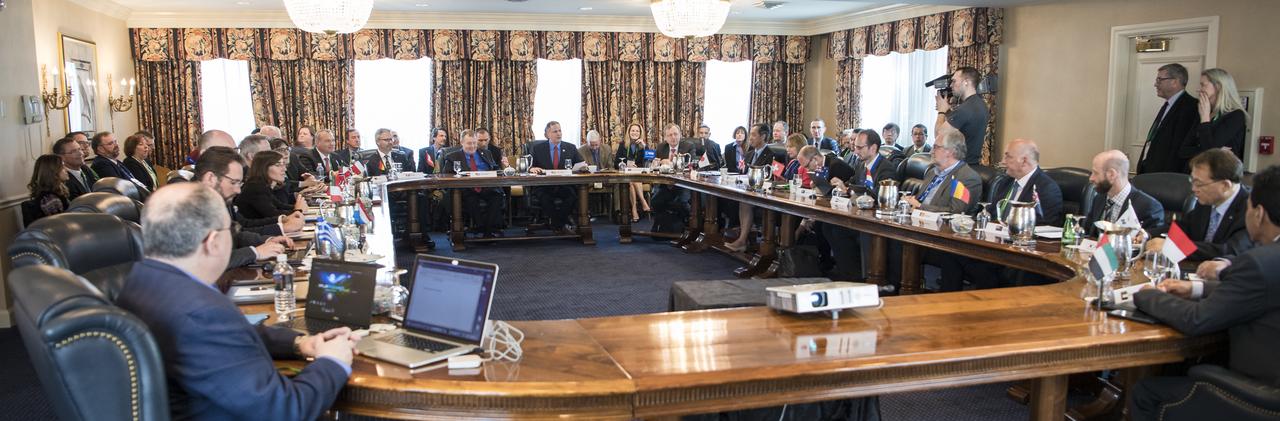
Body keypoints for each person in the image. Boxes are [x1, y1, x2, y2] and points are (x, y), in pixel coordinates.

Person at [116, 182, 357, 420]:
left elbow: (233, 334)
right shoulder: (203, 313)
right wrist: (333, 361)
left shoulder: (137, 282)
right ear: (213, 241)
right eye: (230, 230)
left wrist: (300, 342)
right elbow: (285, 410)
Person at [1129, 165, 1280, 420]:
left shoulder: (1257, 262)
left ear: (1259, 214)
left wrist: (1147, 294)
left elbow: (1197, 319)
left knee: (1146, 392)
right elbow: (1261, 291)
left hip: (1260, 393)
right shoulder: (1267, 264)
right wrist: (1197, 288)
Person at [926, 139, 1064, 291]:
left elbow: (1042, 228)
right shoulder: (1005, 183)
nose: (1002, 161)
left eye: (1008, 157)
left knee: (986, 270)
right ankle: (948, 305)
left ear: (1024, 161)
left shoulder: (1046, 188)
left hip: (1017, 255)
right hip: (992, 245)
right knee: (951, 252)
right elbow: (991, 215)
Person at [194, 146, 296, 268]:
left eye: (240, 183)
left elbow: (236, 234)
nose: (238, 190)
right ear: (210, 178)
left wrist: (267, 240)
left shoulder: (221, 199)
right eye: (233, 182)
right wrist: (255, 252)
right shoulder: (187, 208)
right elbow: (205, 261)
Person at [1146, 149, 1252, 261]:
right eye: (1192, 181)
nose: (1193, 189)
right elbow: (1183, 227)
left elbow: (1229, 250)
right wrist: (1146, 234)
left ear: (1225, 185)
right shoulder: (1207, 201)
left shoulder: (1251, 209)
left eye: (1199, 184)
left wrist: (1177, 247)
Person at [823, 129, 897, 280]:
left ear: (873, 148)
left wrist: (850, 191)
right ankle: (847, 272)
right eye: (855, 146)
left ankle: (859, 276)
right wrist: (842, 186)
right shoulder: (861, 165)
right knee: (828, 226)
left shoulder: (886, 168)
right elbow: (853, 184)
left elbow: (878, 197)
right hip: (859, 215)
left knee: (839, 231)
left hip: (876, 220)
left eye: (859, 147)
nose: (855, 151)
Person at [724, 123, 779, 252]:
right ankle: (738, 234)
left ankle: (742, 241)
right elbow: (743, 175)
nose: (750, 138)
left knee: (745, 203)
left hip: (764, 195)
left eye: (754, 135)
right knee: (728, 199)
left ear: (763, 136)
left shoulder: (772, 155)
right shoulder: (749, 154)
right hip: (747, 190)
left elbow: (771, 178)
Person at [1084, 150, 1165, 237]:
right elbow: (1088, 234)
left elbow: (1151, 244)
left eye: (1096, 173)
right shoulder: (1099, 199)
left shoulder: (1149, 207)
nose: (1091, 178)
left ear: (1112, 174)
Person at [1137, 63, 1200, 174]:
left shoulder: (1191, 107)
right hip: (1150, 171)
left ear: (1174, 82)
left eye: (1159, 80)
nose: (1155, 84)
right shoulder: (1168, 105)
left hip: (1167, 176)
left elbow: (1179, 147)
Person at [441, 130, 505, 237]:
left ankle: (487, 230)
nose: (472, 146)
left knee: (497, 195)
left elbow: (496, 169)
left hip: (486, 186)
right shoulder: (452, 156)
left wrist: (503, 169)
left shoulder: (487, 153)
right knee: (471, 198)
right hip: (466, 188)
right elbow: (445, 176)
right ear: (462, 142)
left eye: (474, 143)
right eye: (469, 143)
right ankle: (480, 226)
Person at [1179, 68, 1248, 164]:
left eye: (1203, 85)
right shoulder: (1204, 112)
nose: (1199, 89)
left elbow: (1210, 153)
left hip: (1219, 175)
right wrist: (1218, 150)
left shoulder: (1236, 115)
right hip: (1195, 172)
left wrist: (1205, 121)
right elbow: (1183, 151)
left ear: (1218, 86)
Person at [905, 130, 983, 214]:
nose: (931, 151)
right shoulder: (932, 172)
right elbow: (920, 200)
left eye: (936, 147)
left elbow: (956, 211)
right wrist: (909, 201)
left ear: (950, 151)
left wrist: (920, 207)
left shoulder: (966, 178)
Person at [528, 121, 583, 233]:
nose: (559, 134)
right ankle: (560, 225)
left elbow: (581, 164)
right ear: (547, 134)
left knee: (571, 196)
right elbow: (530, 166)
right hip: (544, 185)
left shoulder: (570, 147)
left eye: (560, 130)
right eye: (555, 131)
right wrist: (531, 169)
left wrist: (583, 167)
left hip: (564, 185)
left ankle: (556, 224)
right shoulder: (538, 148)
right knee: (545, 198)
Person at [934, 67, 989, 166]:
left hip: (959, 167)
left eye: (954, 81)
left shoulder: (965, 108)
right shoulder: (980, 104)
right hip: (972, 163)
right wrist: (947, 112)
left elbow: (939, 136)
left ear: (966, 82)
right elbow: (961, 125)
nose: (951, 85)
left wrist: (941, 111)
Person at [650, 124, 697, 232]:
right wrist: (660, 162)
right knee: (655, 202)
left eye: (676, 134)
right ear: (665, 138)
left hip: (683, 184)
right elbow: (652, 163)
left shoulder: (688, 146)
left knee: (682, 202)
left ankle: (689, 225)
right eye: (670, 135)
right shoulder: (661, 147)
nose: (673, 137)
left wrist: (672, 163)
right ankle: (663, 225)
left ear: (680, 135)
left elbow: (693, 164)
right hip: (665, 185)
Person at [235, 151, 307, 220]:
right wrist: (297, 209)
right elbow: (273, 214)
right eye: (278, 165)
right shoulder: (255, 187)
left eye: (284, 165)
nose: (284, 169)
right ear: (264, 167)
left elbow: (280, 206)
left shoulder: (263, 185)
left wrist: (301, 205)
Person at [617, 123, 653, 222]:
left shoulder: (643, 146)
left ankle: (634, 209)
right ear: (629, 132)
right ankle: (642, 202)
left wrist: (645, 146)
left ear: (640, 133)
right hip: (626, 173)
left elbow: (650, 160)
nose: (635, 133)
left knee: (633, 180)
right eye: (633, 130)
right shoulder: (623, 145)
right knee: (631, 181)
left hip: (640, 173)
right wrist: (626, 164)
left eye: (637, 131)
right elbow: (616, 162)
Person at [23, 155, 71, 226]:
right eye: (62, 167)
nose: (67, 170)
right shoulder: (50, 199)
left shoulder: (56, 192)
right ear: (53, 172)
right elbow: (60, 226)